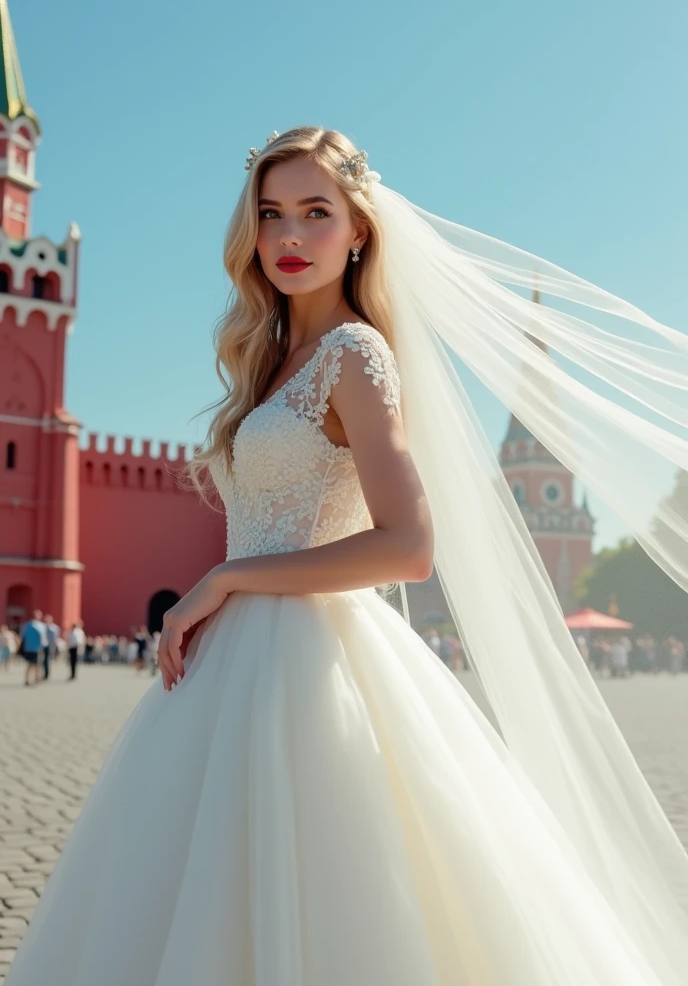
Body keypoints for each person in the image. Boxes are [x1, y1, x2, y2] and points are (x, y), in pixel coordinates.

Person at [7, 127, 688, 985]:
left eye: (316, 213)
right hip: (226, 674)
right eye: (271, 214)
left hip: (314, 666)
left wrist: (225, 578)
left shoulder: (357, 356)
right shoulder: (269, 359)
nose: (290, 237)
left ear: (359, 229)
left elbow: (409, 545)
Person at [19, 609, 47, 687]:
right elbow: (43, 639)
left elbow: (22, 636)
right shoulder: (40, 626)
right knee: (36, 664)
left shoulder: (27, 625)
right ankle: (36, 678)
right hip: (37, 648)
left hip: (28, 648)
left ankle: (28, 679)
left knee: (29, 664)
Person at [42, 613, 60, 681]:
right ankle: (42, 673)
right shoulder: (42, 627)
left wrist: (54, 647)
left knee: (47, 660)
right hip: (43, 645)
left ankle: (47, 674)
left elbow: (55, 638)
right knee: (41, 660)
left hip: (50, 646)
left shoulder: (54, 628)